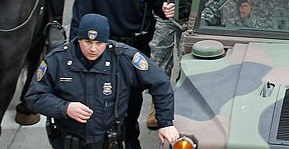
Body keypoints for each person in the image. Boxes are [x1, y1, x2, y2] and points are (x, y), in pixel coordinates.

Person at [70, 0, 173, 149]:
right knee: (101, 104)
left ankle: (131, 141)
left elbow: (162, 4)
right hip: (101, 52)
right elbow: (79, 22)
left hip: (136, 50)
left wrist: (166, 9)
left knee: (132, 104)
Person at [26, 13, 180, 149]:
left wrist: (165, 123)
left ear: (107, 41)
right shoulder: (57, 60)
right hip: (69, 141)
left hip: (110, 141)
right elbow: (34, 97)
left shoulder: (123, 58)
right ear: (79, 39)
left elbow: (160, 83)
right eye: (87, 42)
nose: (93, 49)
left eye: (99, 43)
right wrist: (64, 108)